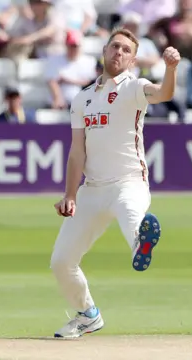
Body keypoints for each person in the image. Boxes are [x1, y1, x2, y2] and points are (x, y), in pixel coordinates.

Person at [49, 28, 180, 338]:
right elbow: (77, 150)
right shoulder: (82, 98)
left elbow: (164, 94)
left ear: (132, 60)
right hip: (92, 190)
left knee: (134, 224)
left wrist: (171, 69)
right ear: (104, 51)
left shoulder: (135, 88)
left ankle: (140, 244)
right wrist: (69, 194)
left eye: (125, 50)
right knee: (60, 262)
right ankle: (87, 314)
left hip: (129, 183)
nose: (118, 53)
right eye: (114, 47)